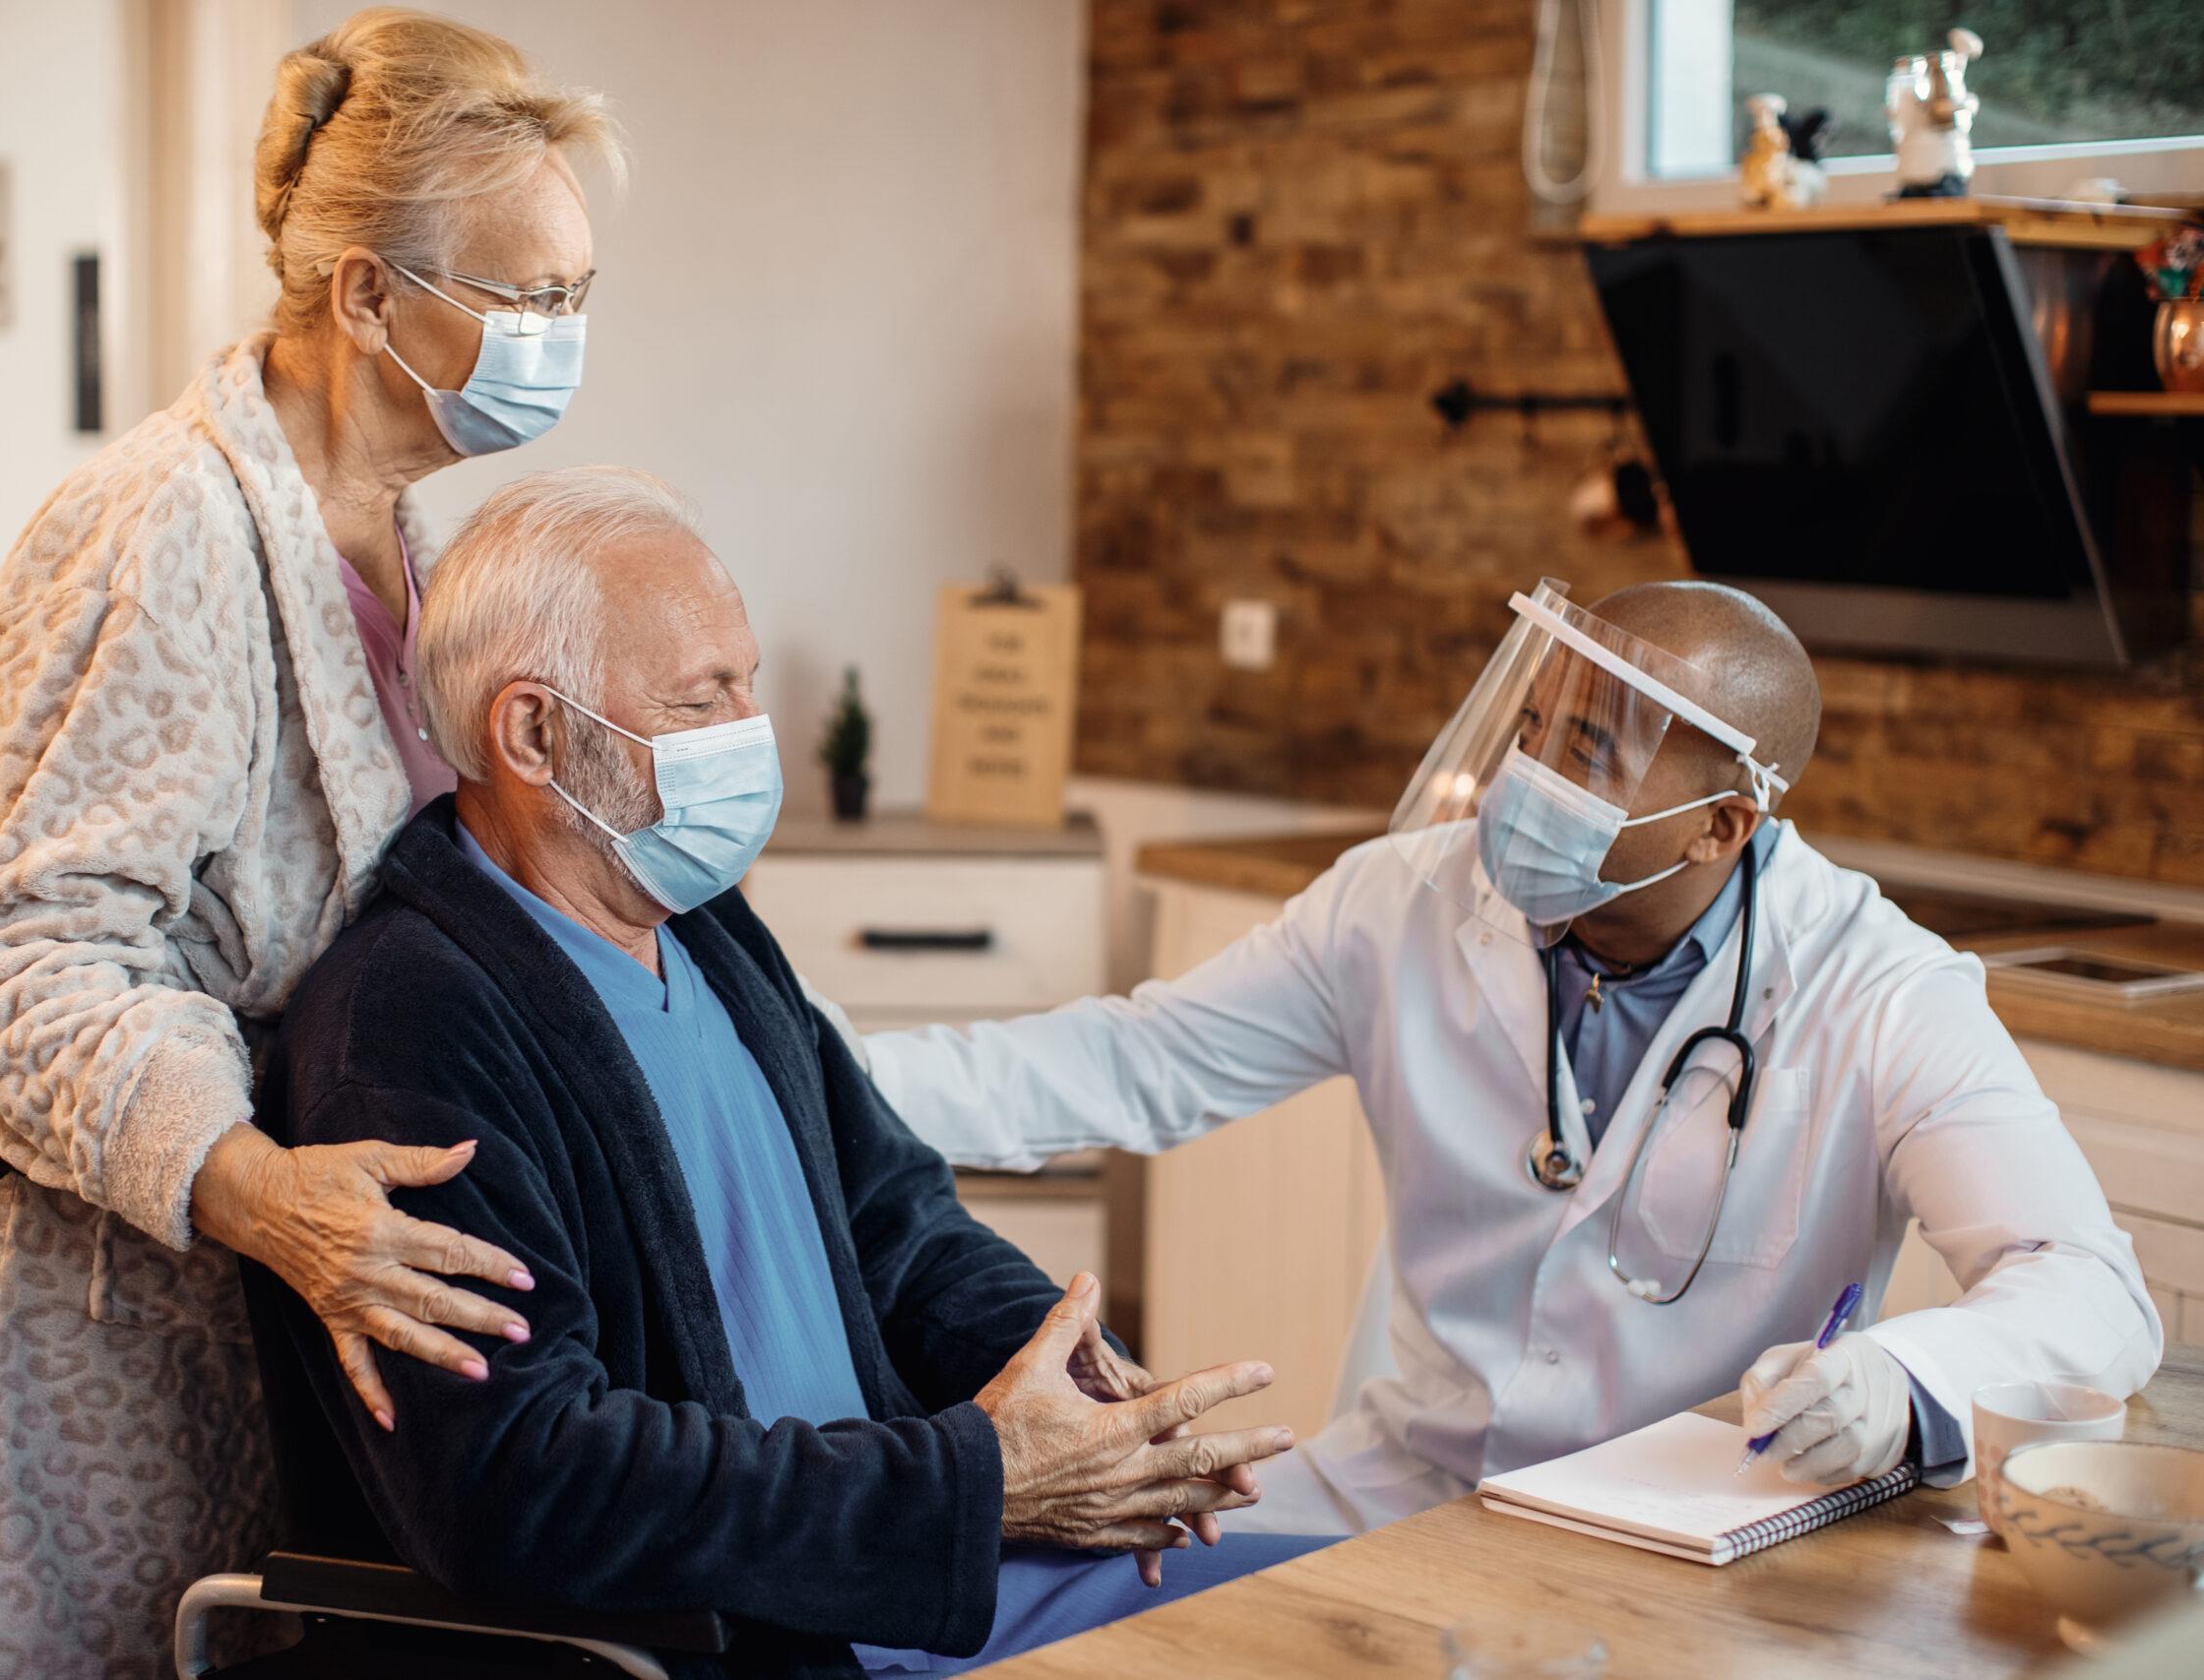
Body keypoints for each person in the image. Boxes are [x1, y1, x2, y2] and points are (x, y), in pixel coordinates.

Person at [0, 12, 619, 1675]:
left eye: (579, 296)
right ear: (367, 294)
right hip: (49, 1282)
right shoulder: (162, 531)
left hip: (208, 1284)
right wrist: (264, 1194)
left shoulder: (401, 536)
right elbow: (33, 964)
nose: (562, 340)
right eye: (525, 297)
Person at [252, 467, 1339, 1677]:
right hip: (766, 1633)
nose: (748, 731)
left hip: (925, 1570)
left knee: (1358, 1614)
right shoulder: (408, 1023)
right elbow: (519, 1478)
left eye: (747, 683)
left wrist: (1071, 1389)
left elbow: (895, 1218)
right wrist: (978, 1484)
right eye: (702, 696)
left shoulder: (702, 925)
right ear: (533, 733)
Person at [857, 579, 2164, 1533]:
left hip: (1697, 1532)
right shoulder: (1402, 902)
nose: (1523, 779)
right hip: (1395, 1493)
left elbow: (2091, 1292)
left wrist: (1907, 1372)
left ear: (1721, 823)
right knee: (1051, 1626)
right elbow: (1129, 1061)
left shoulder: (1880, 988)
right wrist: (806, 1071)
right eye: (1534, 727)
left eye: (1589, 754)